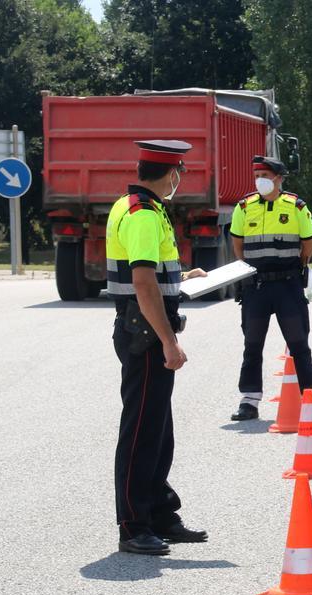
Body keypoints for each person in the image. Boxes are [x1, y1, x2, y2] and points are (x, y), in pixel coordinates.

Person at [105, 140, 208, 555]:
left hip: (142, 328)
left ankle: (160, 513)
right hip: (145, 334)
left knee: (158, 428)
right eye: (178, 173)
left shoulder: (133, 206)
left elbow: (155, 275)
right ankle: (133, 524)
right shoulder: (143, 214)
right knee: (142, 430)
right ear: (171, 174)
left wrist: (184, 276)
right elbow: (143, 283)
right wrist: (169, 341)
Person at [229, 156, 312, 421]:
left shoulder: (296, 207)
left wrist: (295, 270)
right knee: (252, 344)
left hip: (288, 285)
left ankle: (309, 399)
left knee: (299, 343)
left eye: (266, 176)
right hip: (256, 286)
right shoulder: (244, 207)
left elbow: (308, 246)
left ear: (279, 178)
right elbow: (238, 244)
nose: (261, 181)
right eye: (258, 175)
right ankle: (249, 401)